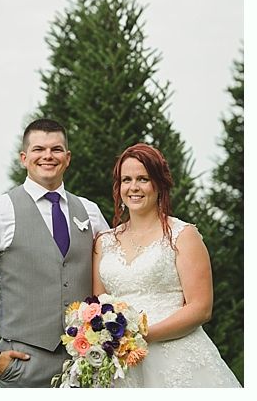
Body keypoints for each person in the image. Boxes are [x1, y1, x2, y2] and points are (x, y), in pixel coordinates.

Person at [0, 118, 110, 387]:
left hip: (87, 364)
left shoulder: (90, 212)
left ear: (67, 158)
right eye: (38, 149)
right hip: (23, 367)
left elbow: (112, 276)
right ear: (24, 158)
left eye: (56, 149)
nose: (48, 155)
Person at [93, 143, 240, 387]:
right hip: (118, 361)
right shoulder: (104, 242)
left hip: (175, 353)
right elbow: (97, 302)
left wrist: (141, 336)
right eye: (126, 180)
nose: (134, 187)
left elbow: (201, 307)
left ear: (159, 184)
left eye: (143, 179)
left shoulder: (183, 235)